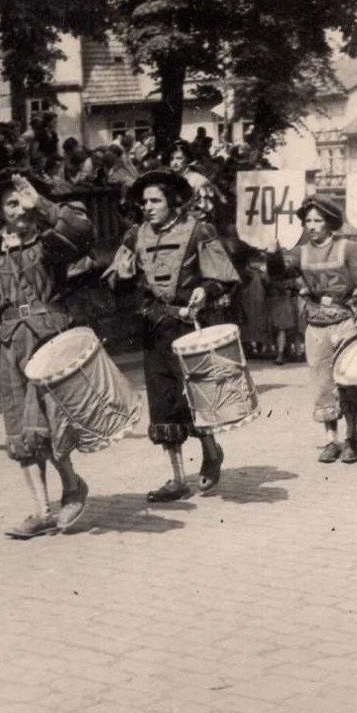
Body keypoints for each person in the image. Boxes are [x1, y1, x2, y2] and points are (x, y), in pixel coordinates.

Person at [0, 170, 96, 538]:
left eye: (23, 201)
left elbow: (82, 234)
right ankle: (42, 511)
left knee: (48, 424)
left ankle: (73, 486)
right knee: (19, 429)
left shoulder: (49, 238)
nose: (20, 209)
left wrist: (41, 204)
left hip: (51, 339)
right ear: (0, 212)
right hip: (12, 344)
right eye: (12, 204)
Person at [105, 169, 240, 499]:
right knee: (165, 402)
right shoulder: (134, 236)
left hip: (191, 326)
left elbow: (222, 275)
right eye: (144, 202)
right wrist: (121, 276)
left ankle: (211, 452)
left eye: (155, 200)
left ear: (172, 201)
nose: (147, 207)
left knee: (198, 397)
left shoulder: (198, 230)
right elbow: (117, 283)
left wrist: (206, 290)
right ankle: (178, 479)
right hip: (156, 327)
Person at [267, 197, 357, 463]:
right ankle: (331, 441)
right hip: (316, 325)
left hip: (345, 322)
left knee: (349, 381)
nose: (312, 226)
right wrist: (272, 254)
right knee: (321, 384)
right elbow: (279, 275)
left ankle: (352, 438)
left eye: (318, 220)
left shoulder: (348, 248)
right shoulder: (300, 252)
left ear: (329, 223)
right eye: (308, 221)